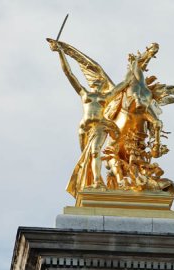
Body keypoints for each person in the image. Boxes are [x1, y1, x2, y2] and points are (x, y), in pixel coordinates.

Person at [48, 39, 131, 195]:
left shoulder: (106, 97)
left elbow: (126, 83)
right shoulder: (83, 93)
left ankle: (97, 182)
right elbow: (69, 73)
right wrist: (60, 52)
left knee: (94, 152)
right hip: (84, 128)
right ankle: (88, 180)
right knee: (85, 159)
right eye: (97, 81)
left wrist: (137, 65)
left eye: (100, 81)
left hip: (100, 126)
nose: (98, 83)